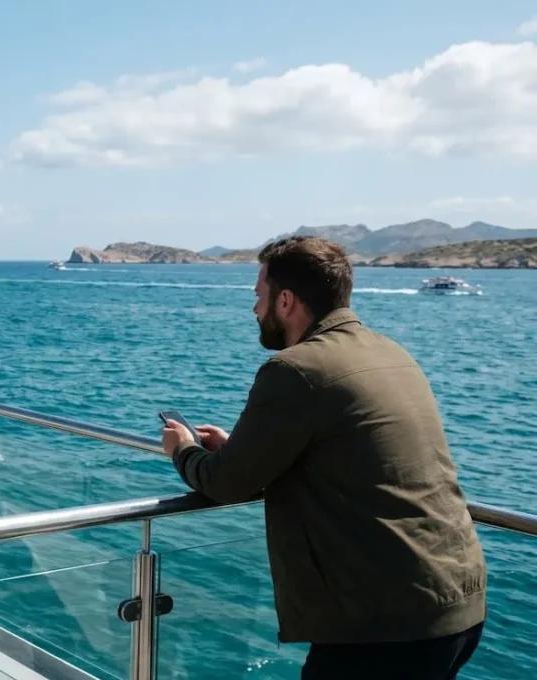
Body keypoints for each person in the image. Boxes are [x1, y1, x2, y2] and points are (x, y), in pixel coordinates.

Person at [159, 236, 487, 680]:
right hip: (456, 603)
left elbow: (224, 483)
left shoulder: (296, 369)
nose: (255, 309)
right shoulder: (392, 353)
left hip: (384, 627)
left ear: (286, 300)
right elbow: (345, 450)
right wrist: (245, 445)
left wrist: (184, 450)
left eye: (259, 296)